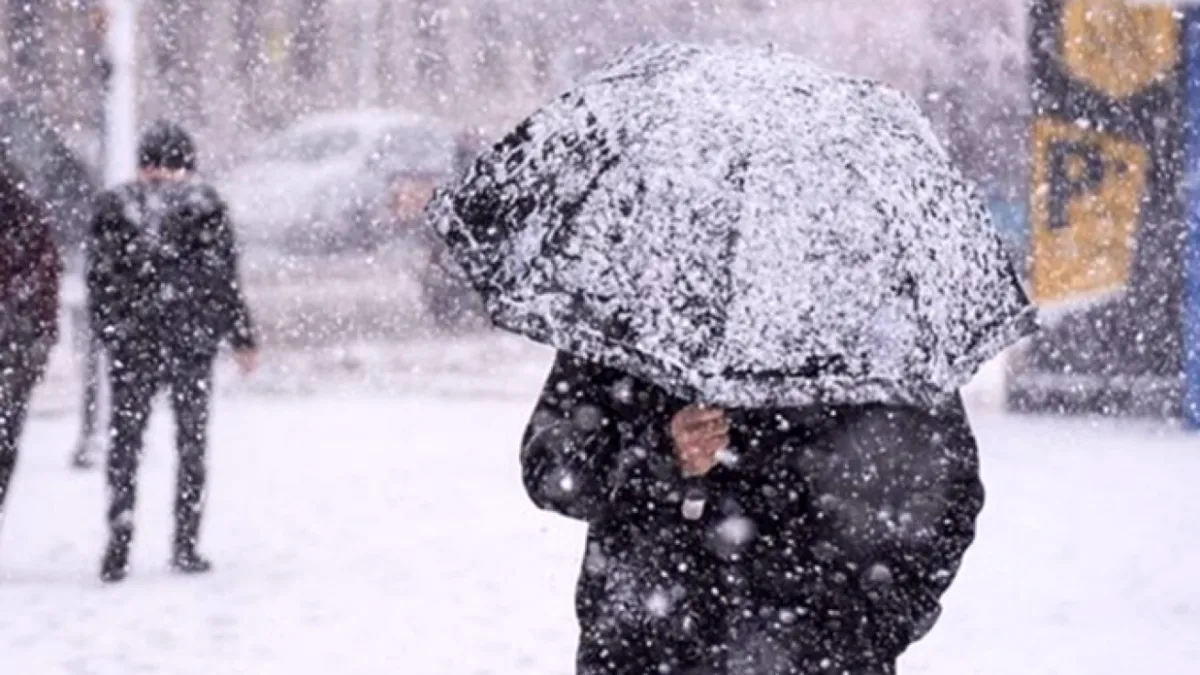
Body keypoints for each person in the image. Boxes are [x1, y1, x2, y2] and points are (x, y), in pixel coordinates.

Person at [521, 353, 985, 675]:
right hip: (649, 648)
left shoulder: (875, 311)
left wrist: (873, 624)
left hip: (822, 651)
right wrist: (660, 453)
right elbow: (551, 470)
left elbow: (948, 495)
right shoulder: (634, 291)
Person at [87, 120, 259, 582]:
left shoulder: (114, 206)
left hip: (133, 342)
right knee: (191, 442)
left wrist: (111, 331)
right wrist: (241, 336)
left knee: (126, 441)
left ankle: (119, 535)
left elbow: (99, 280)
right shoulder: (204, 205)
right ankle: (185, 542)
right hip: (190, 342)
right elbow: (223, 279)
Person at [0, 152, 61, 527]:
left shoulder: (27, 217)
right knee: (7, 436)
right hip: (19, 336)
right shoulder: (29, 215)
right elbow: (46, 280)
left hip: (17, 334)